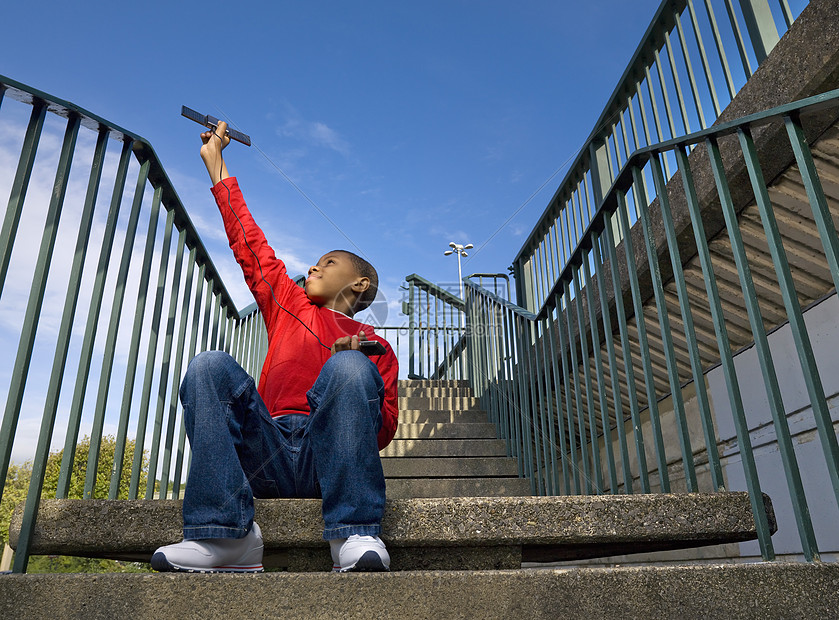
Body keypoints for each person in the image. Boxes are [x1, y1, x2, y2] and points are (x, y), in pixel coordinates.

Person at [151, 121, 398, 573]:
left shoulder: (377, 346)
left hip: (330, 462)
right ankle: (227, 538)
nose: (312, 267)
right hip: (268, 450)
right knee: (209, 365)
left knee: (348, 370)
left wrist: (353, 363)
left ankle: (353, 530)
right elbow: (250, 244)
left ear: (359, 283)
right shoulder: (287, 300)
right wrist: (217, 165)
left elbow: (382, 434)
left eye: (328, 262)